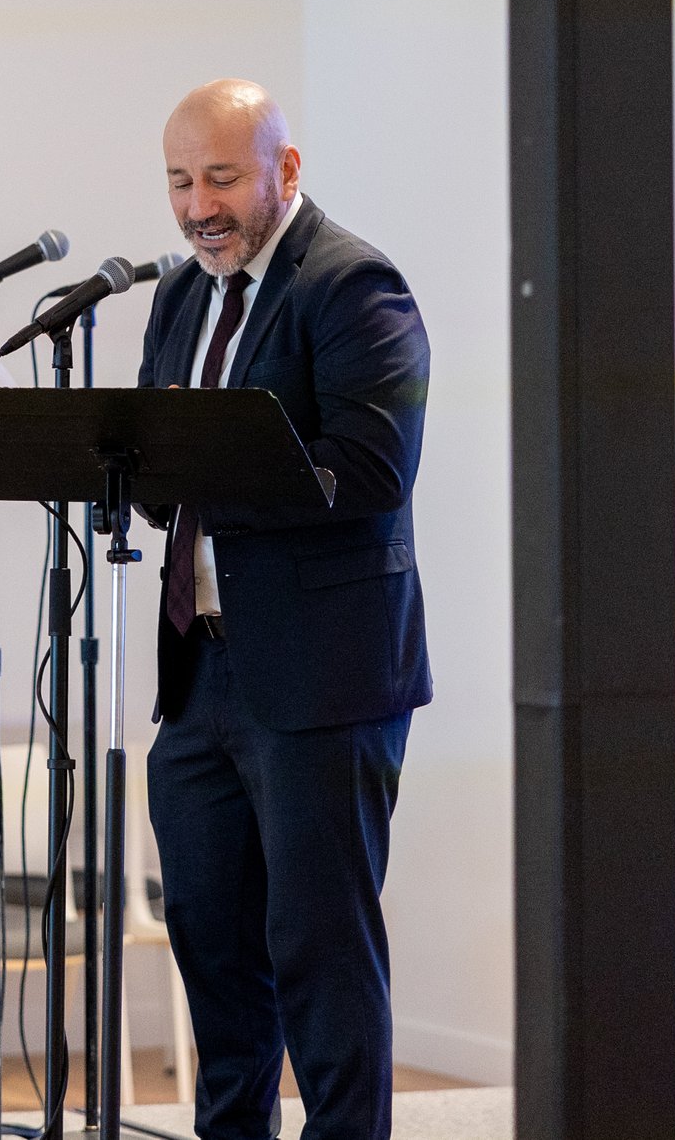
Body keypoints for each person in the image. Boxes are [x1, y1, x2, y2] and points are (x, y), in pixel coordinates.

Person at [137, 78, 431, 1140]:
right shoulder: (180, 295)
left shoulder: (352, 283)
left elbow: (373, 465)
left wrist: (212, 463)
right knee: (212, 947)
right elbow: (161, 465)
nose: (198, 207)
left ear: (285, 169)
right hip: (199, 672)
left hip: (322, 681)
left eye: (220, 178)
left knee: (321, 953)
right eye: (180, 182)